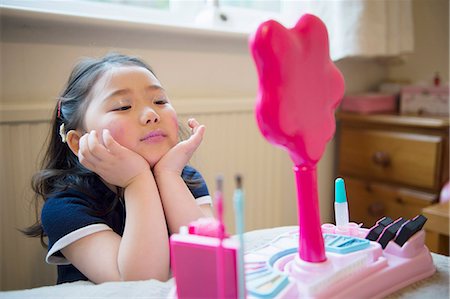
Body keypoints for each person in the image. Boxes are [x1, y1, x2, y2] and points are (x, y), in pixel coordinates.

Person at [23, 53, 213, 284]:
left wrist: (169, 175)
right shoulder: (65, 206)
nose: (151, 115)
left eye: (160, 101)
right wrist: (137, 180)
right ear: (77, 142)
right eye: (123, 107)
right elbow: (140, 282)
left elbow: (211, 259)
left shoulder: (186, 178)